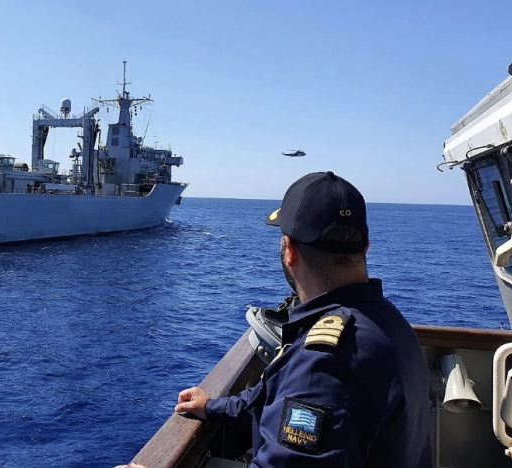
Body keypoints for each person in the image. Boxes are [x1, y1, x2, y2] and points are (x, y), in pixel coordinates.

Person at [116, 171, 433, 468]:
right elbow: (277, 397)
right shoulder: (389, 323)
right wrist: (212, 407)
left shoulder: (324, 364)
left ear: (290, 251)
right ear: (365, 247)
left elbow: (310, 396)